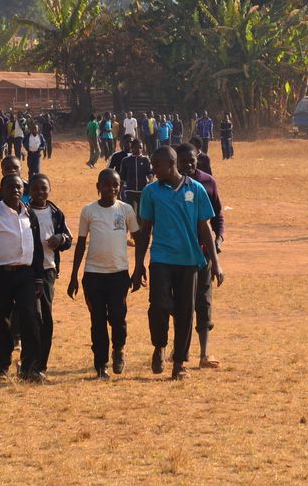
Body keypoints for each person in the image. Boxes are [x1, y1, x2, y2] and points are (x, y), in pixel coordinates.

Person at [133, 145, 222, 380]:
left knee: (185, 313)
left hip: (189, 260)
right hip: (161, 258)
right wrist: (139, 264)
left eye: (156, 165)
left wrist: (215, 262)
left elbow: (205, 228)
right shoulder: (151, 192)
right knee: (159, 305)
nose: (153, 170)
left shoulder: (197, 189)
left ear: (171, 164)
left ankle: (180, 364)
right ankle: (159, 346)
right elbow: (145, 230)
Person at [0, 174, 46, 382]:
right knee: (1, 321)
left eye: (19, 187)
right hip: (0, 275)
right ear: (2, 190)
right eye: (11, 187)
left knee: (31, 318)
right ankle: (2, 368)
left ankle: (29, 369)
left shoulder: (29, 215)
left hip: (26, 275)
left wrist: (39, 277)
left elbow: (37, 248)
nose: (16, 190)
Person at [68, 169, 139, 378]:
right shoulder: (88, 211)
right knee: (97, 321)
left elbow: (139, 237)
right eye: (107, 185)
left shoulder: (126, 210)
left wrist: (138, 268)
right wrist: (74, 276)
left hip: (118, 274)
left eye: (116, 185)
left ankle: (119, 348)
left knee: (118, 318)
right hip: (93, 275)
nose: (112, 189)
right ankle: (101, 365)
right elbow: (80, 244)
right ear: (98, 187)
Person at [176, 143, 224, 369]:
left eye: (191, 160)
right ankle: (178, 351)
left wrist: (218, 240)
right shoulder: (167, 186)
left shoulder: (207, 183)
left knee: (203, 303)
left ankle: (204, 354)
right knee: (179, 304)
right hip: (177, 256)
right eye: (182, 161)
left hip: (202, 255)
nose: (187, 165)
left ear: (198, 160)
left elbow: (217, 218)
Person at [26, 173, 73, 378]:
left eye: (44, 188)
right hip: (26, 271)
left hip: (47, 271)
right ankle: (28, 365)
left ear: (49, 190)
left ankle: (40, 366)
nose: (40, 192)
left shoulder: (55, 212)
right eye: (35, 189)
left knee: (45, 319)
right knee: (30, 318)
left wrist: (60, 238)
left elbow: (68, 238)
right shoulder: (24, 212)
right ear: (29, 192)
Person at [117, 137, 152, 212]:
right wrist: (119, 192)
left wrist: (151, 180)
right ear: (132, 148)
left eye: (141, 148)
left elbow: (149, 173)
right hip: (130, 191)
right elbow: (122, 177)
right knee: (131, 212)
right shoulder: (126, 161)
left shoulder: (146, 160)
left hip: (142, 191)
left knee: (141, 214)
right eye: (137, 147)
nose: (139, 149)